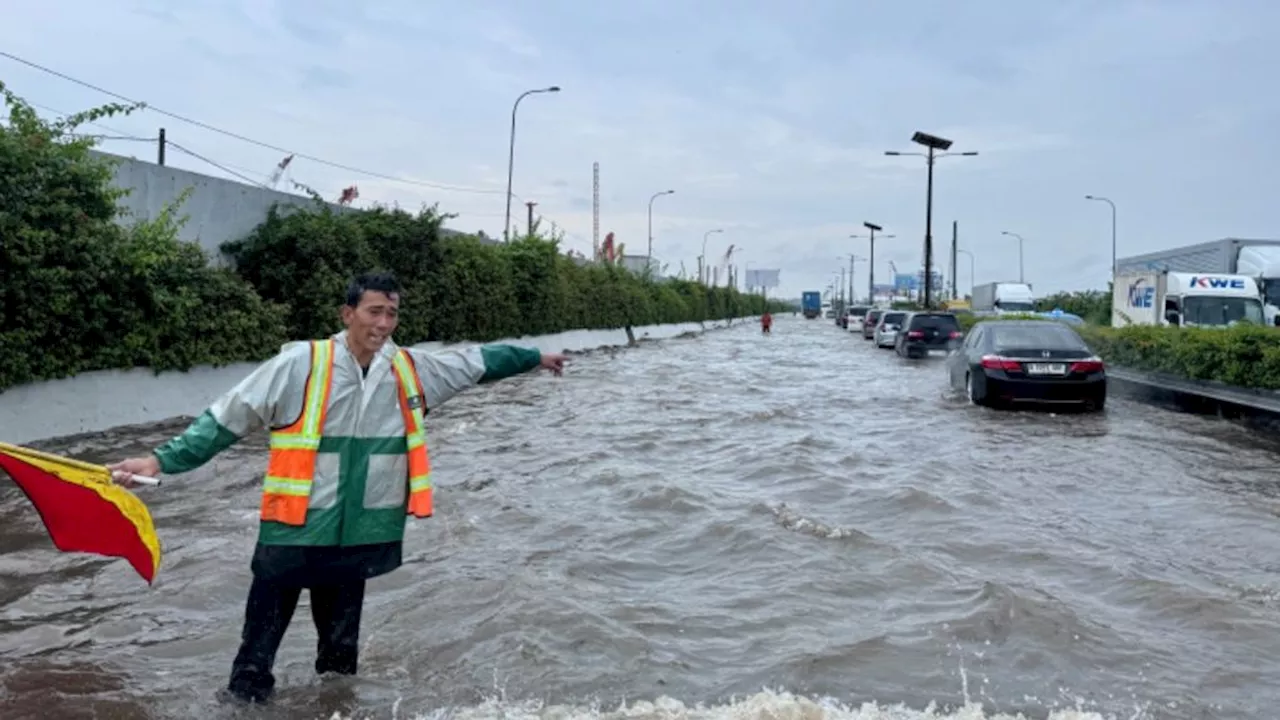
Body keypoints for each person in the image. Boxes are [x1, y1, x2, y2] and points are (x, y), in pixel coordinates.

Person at [108, 272, 568, 705]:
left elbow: (478, 363)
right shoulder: (298, 364)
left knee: (339, 668)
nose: (383, 324)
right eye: (373, 312)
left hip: (358, 537)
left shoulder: (409, 370)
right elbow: (227, 419)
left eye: (391, 313)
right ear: (347, 314)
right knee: (252, 666)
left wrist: (536, 358)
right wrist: (160, 460)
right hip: (291, 533)